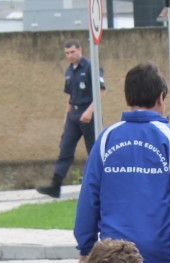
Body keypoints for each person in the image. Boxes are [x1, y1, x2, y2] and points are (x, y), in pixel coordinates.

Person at [73, 62, 170, 263]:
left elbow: (89, 197)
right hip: (166, 254)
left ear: (127, 99)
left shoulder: (106, 139)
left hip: (116, 256)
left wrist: (86, 246)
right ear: (161, 97)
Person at [36, 39, 106, 199]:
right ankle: (55, 185)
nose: (70, 55)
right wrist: (66, 116)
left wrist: (89, 111)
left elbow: (102, 91)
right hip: (74, 115)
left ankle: (101, 185)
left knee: (94, 151)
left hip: (89, 114)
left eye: (72, 52)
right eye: (67, 53)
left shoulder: (90, 67)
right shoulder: (70, 71)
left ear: (80, 50)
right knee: (65, 149)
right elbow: (70, 95)